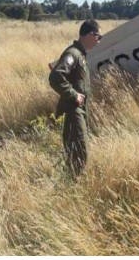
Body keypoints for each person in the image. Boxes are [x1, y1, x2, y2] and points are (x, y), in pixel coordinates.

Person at [48, 19, 102, 177]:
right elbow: (56, 77)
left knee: (78, 151)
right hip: (73, 110)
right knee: (79, 152)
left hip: (79, 111)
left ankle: (70, 180)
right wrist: (73, 95)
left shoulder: (81, 55)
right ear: (90, 35)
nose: (99, 41)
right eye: (99, 37)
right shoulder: (73, 54)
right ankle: (72, 183)